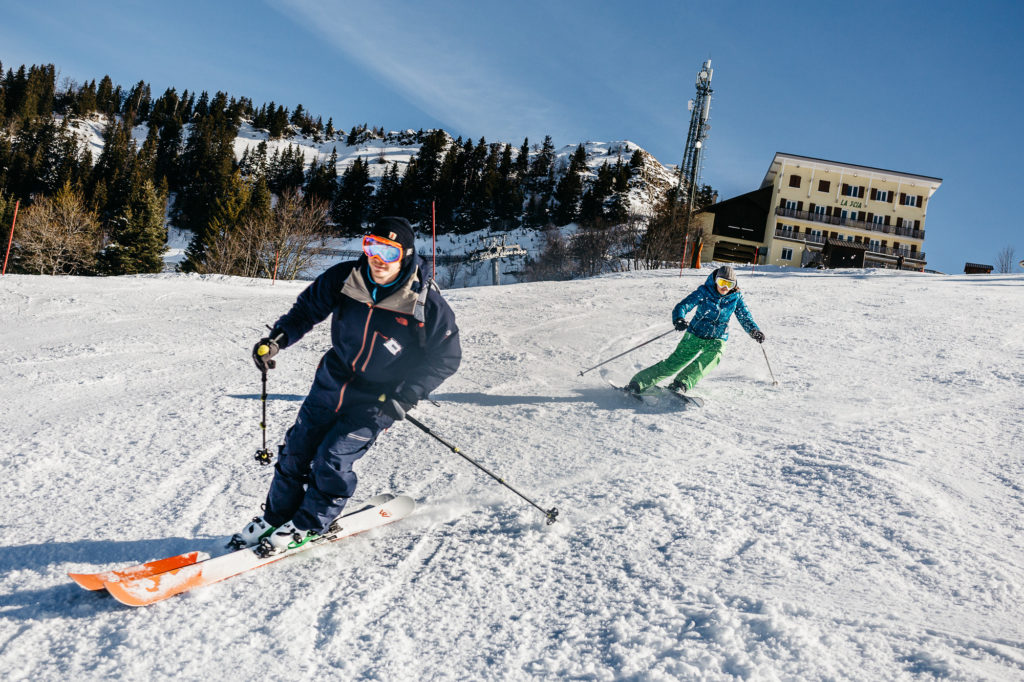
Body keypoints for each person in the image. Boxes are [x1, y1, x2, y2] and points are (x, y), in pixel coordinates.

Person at [231, 217, 462, 555]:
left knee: (332, 457)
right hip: (332, 381)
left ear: (406, 255)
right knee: (296, 450)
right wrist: (276, 341)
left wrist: (407, 396)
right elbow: (305, 311)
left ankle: (310, 524)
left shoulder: (423, 301)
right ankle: (277, 517)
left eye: (389, 250)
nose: (377, 258)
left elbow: (446, 356)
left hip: (378, 398)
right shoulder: (345, 278)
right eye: (371, 246)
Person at [627, 265, 764, 396]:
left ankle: (681, 383)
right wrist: (679, 318)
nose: (724, 287)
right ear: (715, 280)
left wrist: (754, 331)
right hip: (695, 334)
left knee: (714, 355)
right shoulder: (704, 292)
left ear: (734, 285)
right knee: (673, 364)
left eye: (729, 284)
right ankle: (638, 383)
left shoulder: (735, 298)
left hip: (718, 337)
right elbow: (684, 305)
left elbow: (744, 316)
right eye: (721, 282)